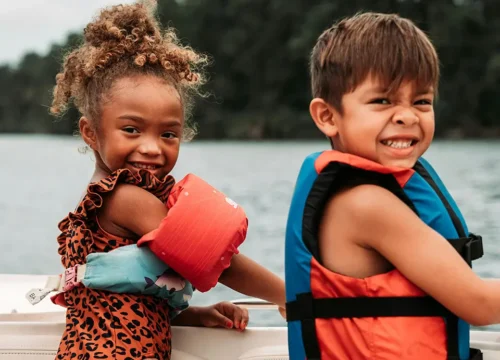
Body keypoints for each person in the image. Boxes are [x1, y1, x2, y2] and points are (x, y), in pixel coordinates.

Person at [48, 2, 285, 359]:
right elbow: (216, 260)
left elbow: (126, 299)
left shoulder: (124, 197)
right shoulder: (124, 198)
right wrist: (292, 295)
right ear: (90, 132)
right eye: (131, 129)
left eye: (169, 135)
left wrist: (194, 316)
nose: (152, 148)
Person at [284, 12, 490, 360]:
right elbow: (480, 304)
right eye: (383, 101)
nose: (408, 116)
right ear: (328, 116)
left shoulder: (364, 194)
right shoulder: (367, 205)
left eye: (421, 101)